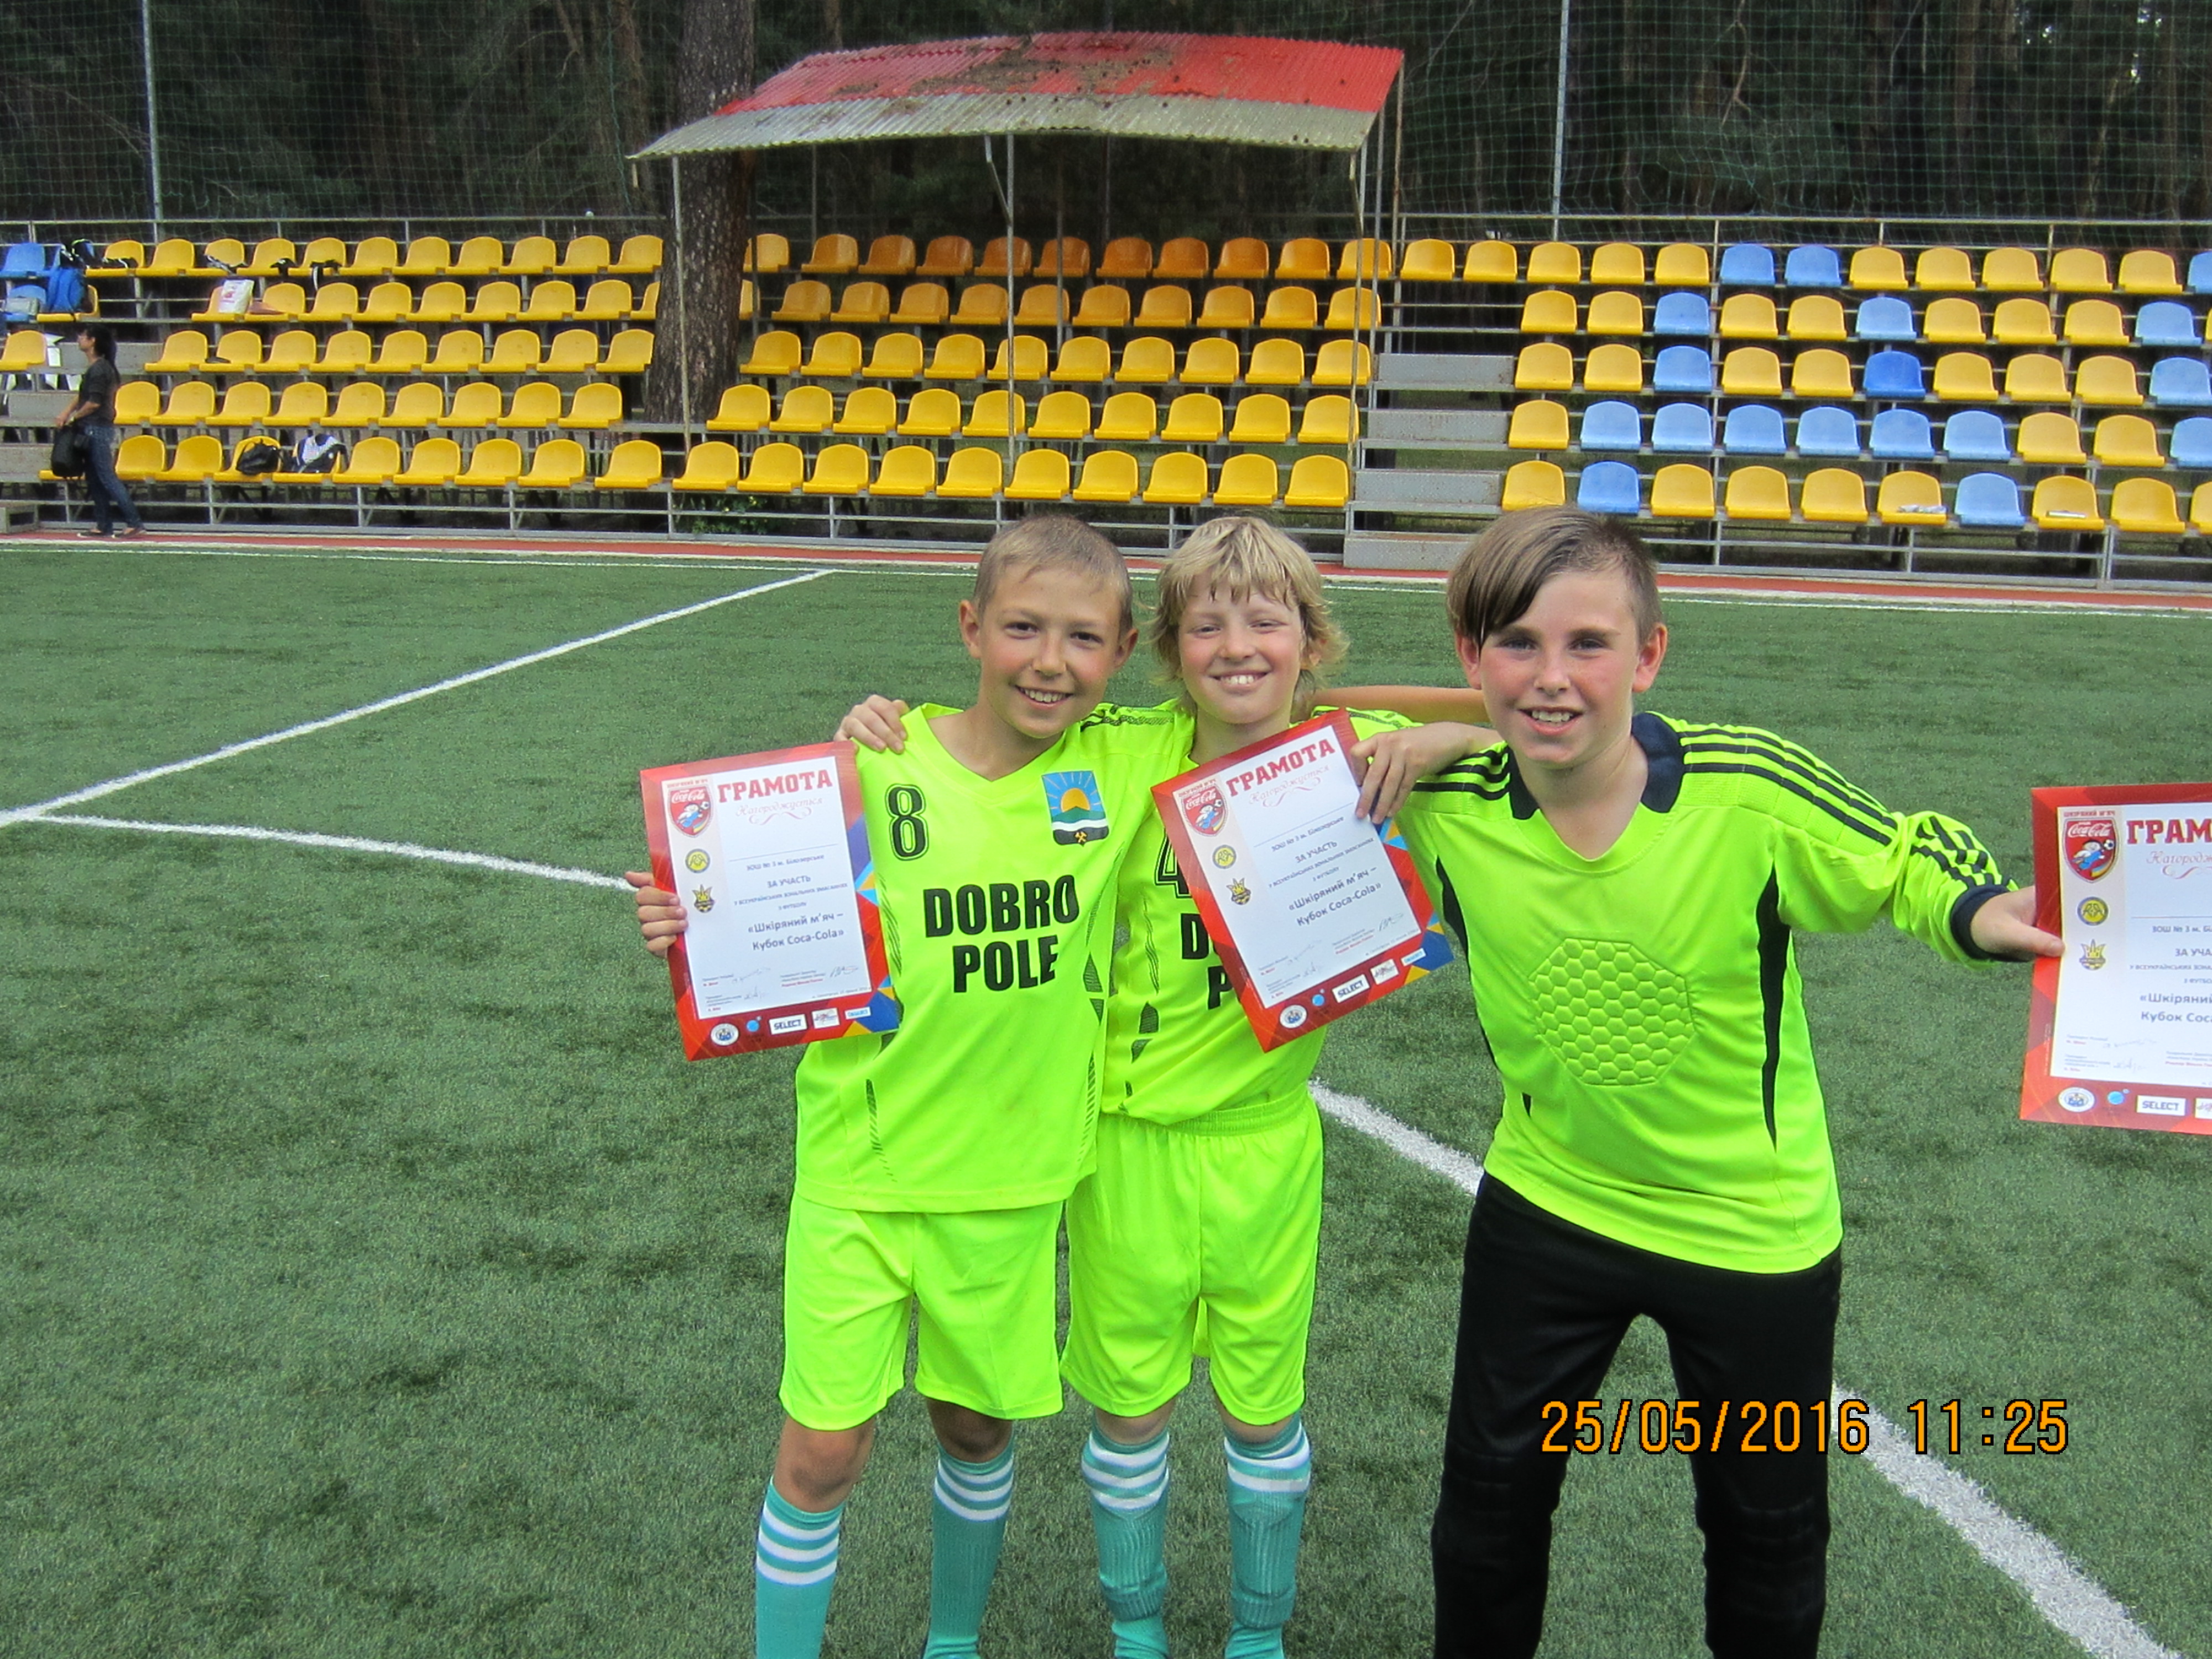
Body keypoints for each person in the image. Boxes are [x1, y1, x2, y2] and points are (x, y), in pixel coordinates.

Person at [1394, 508, 2059, 1659]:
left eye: (1588, 645)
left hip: (1752, 1228)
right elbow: (1267, 724)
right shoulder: (1441, 799)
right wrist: (1439, 737)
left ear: (1648, 655)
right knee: (1486, 1511)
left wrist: (1978, 908)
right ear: (1469, 655)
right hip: (1549, 1200)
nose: (1550, 678)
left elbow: (1900, 854)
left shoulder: (1742, 791)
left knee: (1764, 1530)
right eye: (1515, 645)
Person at [839, 517, 1490, 1659]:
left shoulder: (1355, 753)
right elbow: (975, 743)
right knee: (1130, 1410)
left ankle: (1258, 1634)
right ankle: (1135, 1628)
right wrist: (871, 724)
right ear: (1168, 650)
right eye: (1206, 626)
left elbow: (1508, 725)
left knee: (1263, 1410)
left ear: (1310, 641)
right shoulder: (1122, 754)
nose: (1236, 647)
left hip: (1266, 1145)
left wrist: (1435, 741)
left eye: (1266, 623)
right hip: (1126, 1144)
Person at [626, 517, 1184, 1659]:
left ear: (1123, 651)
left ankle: (952, 1643)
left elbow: (1294, 710)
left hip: (1011, 1182)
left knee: (975, 1432)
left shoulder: (1129, 758)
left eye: (1082, 638)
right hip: (861, 1173)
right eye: (1022, 628)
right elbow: (755, 895)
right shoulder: (875, 762)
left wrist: (1428, 742)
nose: (1049, 661)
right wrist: (695, 919)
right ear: (970, 628)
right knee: (820, 1451)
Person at [56, 322, 145, 540]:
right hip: (95, 426)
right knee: (95, 478)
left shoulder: (99, 369)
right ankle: (103, 523)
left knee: (106, 476)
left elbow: (93, 402)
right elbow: (84, 396)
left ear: (93, 341)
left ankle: (133, 522)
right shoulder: (101, 368)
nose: (80, 339)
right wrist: (68, 412)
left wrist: (74, 417)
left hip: (96, 427)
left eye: (83, 336)